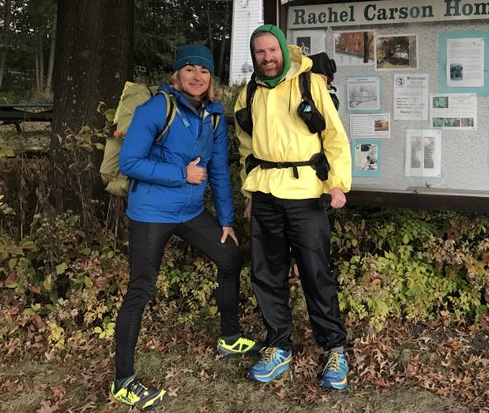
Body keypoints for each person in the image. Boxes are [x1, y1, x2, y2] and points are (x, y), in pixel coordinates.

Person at [109, 44, 259, 410]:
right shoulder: (157, 107)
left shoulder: (213, 114)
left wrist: (226, 219)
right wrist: (181, 174)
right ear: (177, 74)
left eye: (204, 71)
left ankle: (229, 337)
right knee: (140, 290)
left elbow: (220, 169)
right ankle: (123, 381)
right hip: (150, 213)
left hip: (190, 212)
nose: (196, 76)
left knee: (229, 257)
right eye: (189, 69)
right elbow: (130, 162)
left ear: (212, 79)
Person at [234, 24, 352, 390]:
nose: (267, 58)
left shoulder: (309, 84)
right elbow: (246, 147)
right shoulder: (249, 92)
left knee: (316, 272)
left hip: (306, 194)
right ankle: (279, 344)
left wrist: (338, 183)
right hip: (266, 192)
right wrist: (250, 193)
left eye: (272, 51)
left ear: (283, 50)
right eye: (260, 53)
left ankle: (334, 348)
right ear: (254, 56)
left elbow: (334, 135)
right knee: (267, 274)